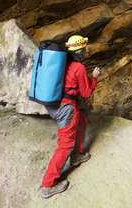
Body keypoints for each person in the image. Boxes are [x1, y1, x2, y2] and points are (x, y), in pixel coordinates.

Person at [40, 35, 100, 199]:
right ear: (81, 50)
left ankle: (77, 155)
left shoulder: (62, 62)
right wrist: (94, 78)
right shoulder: (78, 67)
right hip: (66, 108)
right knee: (65, 144)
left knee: (81, 120)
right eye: (84, 48)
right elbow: (86, 92)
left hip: (55, 104)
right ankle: (47, 185)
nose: (86, 51)